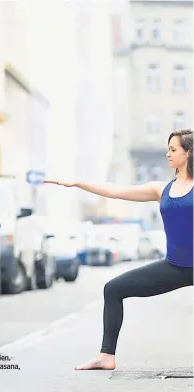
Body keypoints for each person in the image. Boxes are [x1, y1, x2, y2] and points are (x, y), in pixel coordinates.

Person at [44, 129, 193, 370]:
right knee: (113, 289)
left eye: (173, 150)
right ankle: (106, 356)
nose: (167, 154)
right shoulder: (160, 189)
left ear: (188, 153)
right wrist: (78, 183)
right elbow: (114, 191)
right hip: (175, 266)